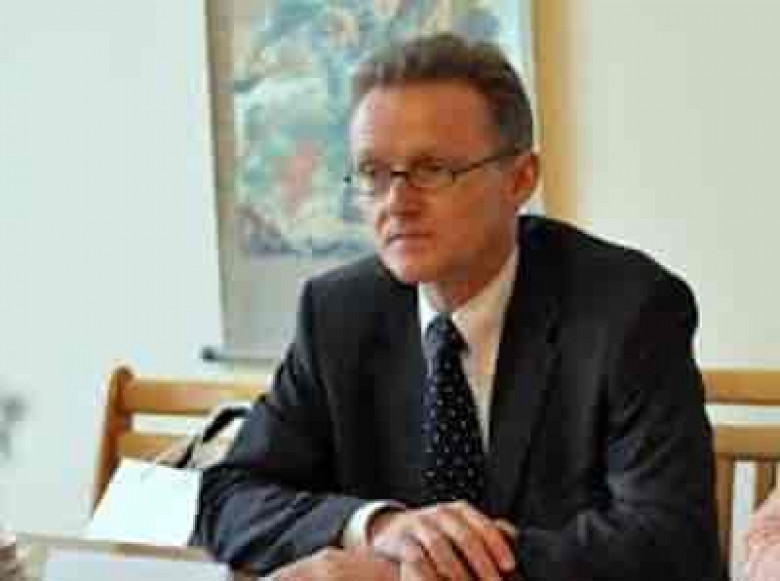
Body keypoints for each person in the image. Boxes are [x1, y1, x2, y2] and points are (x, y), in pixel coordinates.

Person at [195, 33, 724, 580]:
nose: (397, 203)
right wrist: (378, 528)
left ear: (520, 179)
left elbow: (669, 544)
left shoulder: (627, 309)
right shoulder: (338, 313)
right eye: (373, 173)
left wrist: (415, 573)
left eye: (431, 170)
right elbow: (227, 498)